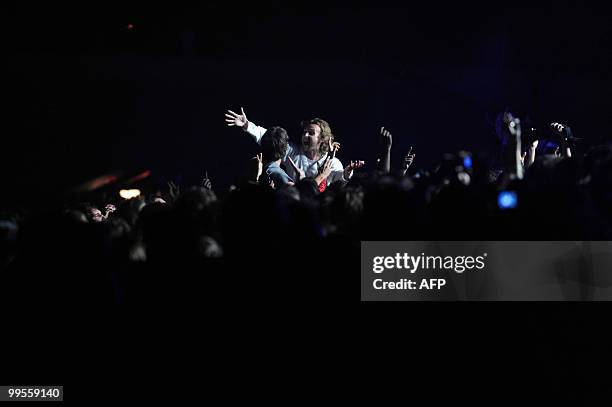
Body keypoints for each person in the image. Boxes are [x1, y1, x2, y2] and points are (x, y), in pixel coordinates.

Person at [225, 107, 364, 187]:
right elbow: (270, 138)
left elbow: (339, 178)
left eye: (311, 133)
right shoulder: (293, 152)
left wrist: (347, 172)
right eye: (304, 132)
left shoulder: (330, 162)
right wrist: (247, 125)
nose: (305, 136)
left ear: (322, 139)